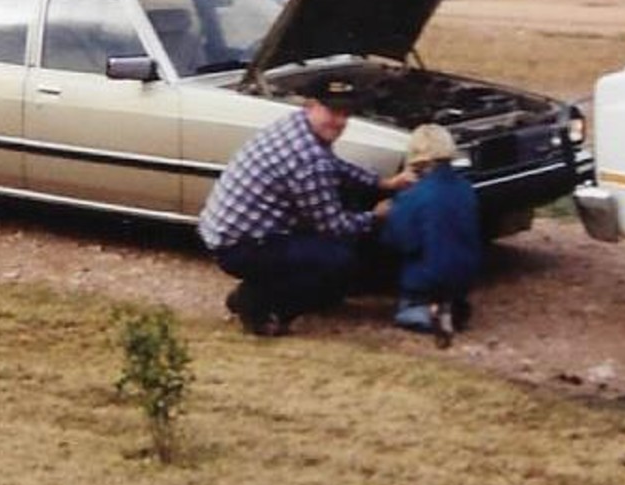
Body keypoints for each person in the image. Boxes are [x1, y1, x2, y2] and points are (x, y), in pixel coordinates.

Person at [198, 75, 416, 336]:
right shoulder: (307, 159)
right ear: (311, 105)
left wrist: (384, 183)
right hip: (241, 246)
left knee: (326, 243)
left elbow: (334, 167)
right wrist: (376, 216)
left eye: (346, 113)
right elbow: (333, 226)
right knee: (340, 260)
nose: (340, 121)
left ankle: (256, 292)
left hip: (230, 231)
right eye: (333, 111)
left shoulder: (297, 125)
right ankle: (259, 307)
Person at [383, 123, 482, 347]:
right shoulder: (466, 189)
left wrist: (392, 211)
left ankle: (428, 312)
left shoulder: (413, 196)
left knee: (403, 312)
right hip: (464, 276)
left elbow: (399, 241)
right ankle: (451, 307)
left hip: (426, 281)